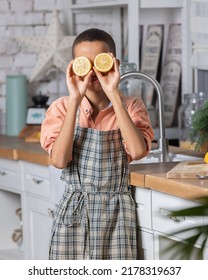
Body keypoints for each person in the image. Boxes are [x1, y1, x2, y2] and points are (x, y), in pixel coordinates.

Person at [40, 28, 154, 260]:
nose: (92, 71)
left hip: (117, 215)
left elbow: (138, 150)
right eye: (85, 63)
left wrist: (113, 94)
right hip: (74, 212)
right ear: (74, 66)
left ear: (114, 63)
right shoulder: (61, 108)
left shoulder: (131, 107)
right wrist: (75, 100)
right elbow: (60, 161)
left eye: (99, 62)